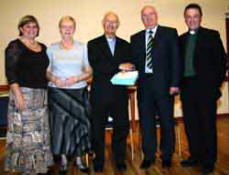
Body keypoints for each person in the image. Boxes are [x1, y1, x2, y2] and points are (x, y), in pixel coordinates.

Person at [131, 5, 181, 169]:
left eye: (150, 14)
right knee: (146, 123)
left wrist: (174, 83)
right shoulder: (136, 37)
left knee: (167, 122)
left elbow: (176, 60)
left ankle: (167, 155)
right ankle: (149, 155)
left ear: (156, 15)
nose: (148, 18)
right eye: (144, 16)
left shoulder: (169, 33)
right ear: (142, 19)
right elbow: (135, 63)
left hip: (165, 87)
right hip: (144, 88)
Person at [179, 3, 227, 174]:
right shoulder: (181, 39)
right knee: (191, 126)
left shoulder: (212, 36)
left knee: (207, 126)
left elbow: (222, 63)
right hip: (187, 90)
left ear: (200, 17)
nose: (192, 19)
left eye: (195, 16)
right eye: (189, 16)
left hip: (206, 90)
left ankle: (209, 160)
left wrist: (215, 87)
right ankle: (195, 156)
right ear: (185, 19)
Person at [4, 15, 53, 175]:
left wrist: (58, 80)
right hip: (23, 94)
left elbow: (45, 72)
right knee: (26, 134)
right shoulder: (14, 46)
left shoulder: (43, 47)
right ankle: (27, 169)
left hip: (41, 95)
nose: (32, 29)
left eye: (34, 27)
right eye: (28, 27)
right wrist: (18, 95)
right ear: (21, 29)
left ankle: (39, 166)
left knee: (40, 133)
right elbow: (10, 73)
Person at [87, 12, 133, 172]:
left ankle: (119, 158)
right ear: (103, 23)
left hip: (120, 94)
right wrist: (119, 66)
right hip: (100, 94)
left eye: (114, 22)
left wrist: (131, 67)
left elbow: (130, 65)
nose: (111, 25)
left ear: (118, 25)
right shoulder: (92, 44)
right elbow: (98, 66)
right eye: (108, 21)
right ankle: (98, 160)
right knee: (97, 129)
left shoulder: (126, 45)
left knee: (121, 128)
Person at [46, 16, 91, 173]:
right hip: (58, 92)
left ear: (74, 28)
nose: (67, 29)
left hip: (78, 90)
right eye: (64, 26)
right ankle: (64, 160)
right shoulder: (51, 49)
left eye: (70, 26)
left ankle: (79, 159)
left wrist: (76, 78)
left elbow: (89, 71)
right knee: (61, 127)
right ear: (59, 29)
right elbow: (47, 71)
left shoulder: (82, 47)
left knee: (78, 126)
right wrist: (54, 79)